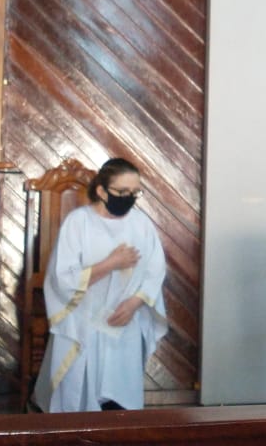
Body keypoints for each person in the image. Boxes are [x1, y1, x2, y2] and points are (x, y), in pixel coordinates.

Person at [33, 158, 167, 413]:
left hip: (124, 322)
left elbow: (155, 269)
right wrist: (111, 263)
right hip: (83, 324)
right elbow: (63, 277)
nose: (129, 199)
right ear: (102, 191)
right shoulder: (78, 222)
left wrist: (135, 302)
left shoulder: (141, 223)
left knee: (120, 402)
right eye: (122, 192)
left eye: (135, 192)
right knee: (79, 399)